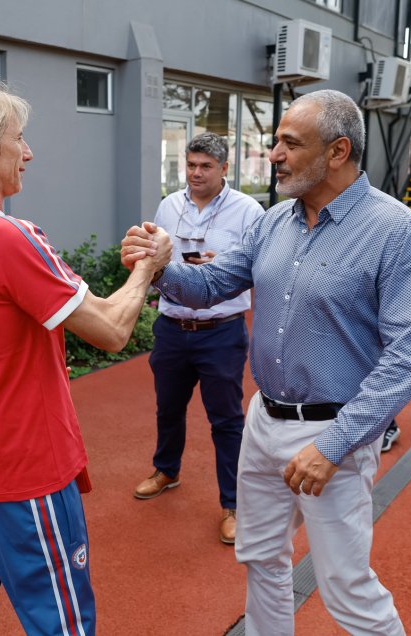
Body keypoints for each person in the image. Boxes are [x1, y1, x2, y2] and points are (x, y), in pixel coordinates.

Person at [122, 89, 411, 635]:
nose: (274, 154)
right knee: (261, 558)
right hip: (263, 422)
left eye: (290, 143)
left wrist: (335, 445)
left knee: (346, 589)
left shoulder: (397, 231)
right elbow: (215, 283)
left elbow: (408, 359)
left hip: (333, 435)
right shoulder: (273, 222)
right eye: (276, 142)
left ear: (338, 152)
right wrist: (162, 264)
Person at [0, 81, 171, 635]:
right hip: (27, 470)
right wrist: (149, 266)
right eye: (18, 138)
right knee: (64, 623)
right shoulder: (6, 235)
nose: (26, 153)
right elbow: (111, 331)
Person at [133, 132, 263, 545]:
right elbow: (154, 261)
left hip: (220, 332)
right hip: (172, 328)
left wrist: (220, 267)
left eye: (205, 166)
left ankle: (234, 504)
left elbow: (261, 267)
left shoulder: (248, 211)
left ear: (225, 168)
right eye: (190, 165)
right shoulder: (169, 206)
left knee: (226, 421)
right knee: (167, 409)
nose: (195, 173)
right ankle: (166, 470)